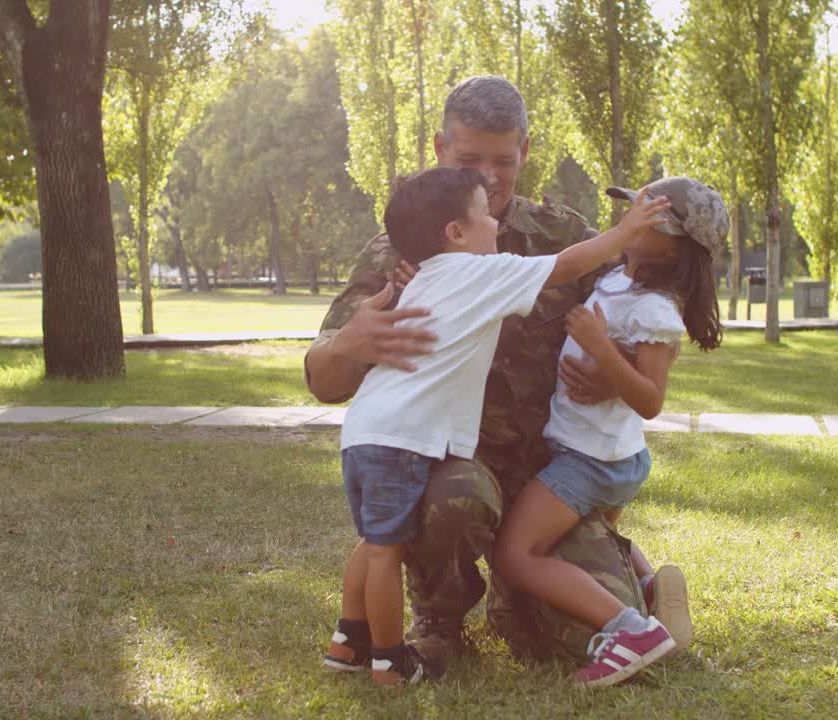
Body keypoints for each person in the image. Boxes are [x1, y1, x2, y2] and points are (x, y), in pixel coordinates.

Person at [305, 75, 693, 666]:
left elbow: (647, 298)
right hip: (454, 467)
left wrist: (616, 373)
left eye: (503, 160)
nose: (488, 176)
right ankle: (441, 615)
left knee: (570, 642)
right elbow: (324, 381)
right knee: (457, 494)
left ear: (526, 152)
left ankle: (612, 581)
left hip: (549, 479)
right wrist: (349, 343)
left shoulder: (561, 235)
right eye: (469, 159)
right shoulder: (400, 248)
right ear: (439, 150)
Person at [493, 177, 727, 688]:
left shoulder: (657, 310)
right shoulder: (622, 277)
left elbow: (650, 399)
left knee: (516, 553)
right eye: (630, 211)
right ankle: (645, 587)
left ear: (674, 246)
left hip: (593, 460)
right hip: (591, 447)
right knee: (593, 538)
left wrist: (600, 350)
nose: (627, 222)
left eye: (643, 216)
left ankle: (629, 631)